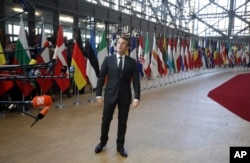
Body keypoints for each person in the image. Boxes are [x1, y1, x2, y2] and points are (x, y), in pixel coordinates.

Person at [94, 36, 141, 157]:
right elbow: (101, 78)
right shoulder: (108, 60)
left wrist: (137, 97)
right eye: (118, 43)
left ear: (127, 47)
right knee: (105, 121)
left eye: (123, 44)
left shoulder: (131, 62)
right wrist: (99, 95)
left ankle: (120, 146)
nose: (119, 45)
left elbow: (136, 80)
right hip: (110, 95)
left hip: (125, 96)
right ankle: (102, 142)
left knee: (122, 122)